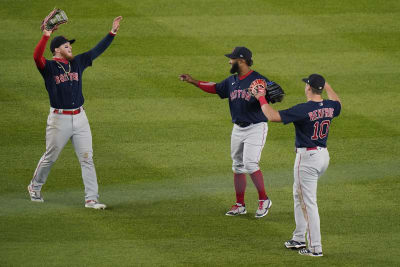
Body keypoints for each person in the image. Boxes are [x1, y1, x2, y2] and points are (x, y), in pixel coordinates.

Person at [28, 15, 123, 209]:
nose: (70, 47)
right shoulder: (49, 67)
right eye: (66, 46)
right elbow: (36, 56)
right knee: (50, 157)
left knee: (87, 158)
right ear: (57, 50)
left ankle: (91, 199)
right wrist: (46, 35)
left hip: (80, 117)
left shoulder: (78, 62)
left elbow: (97, 50)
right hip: (58, 120)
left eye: (70, 46)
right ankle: (35, 186)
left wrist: (111, 32)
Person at [252, 74, 341, 256]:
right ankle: (299, 237)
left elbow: (273, 116)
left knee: (309, 203)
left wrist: (260, 96)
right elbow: (337, 101)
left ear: (308, 88)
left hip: (307, 159)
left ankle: (315, 248)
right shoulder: (331, 107)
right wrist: (328, 87)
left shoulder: (304, 109)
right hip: (323, 156)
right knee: (298, 194)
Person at [180, 47, 273, 218]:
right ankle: (240, 204)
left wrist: (269, 94)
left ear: (242, 60)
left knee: (250, 164)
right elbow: (215, 88)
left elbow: (275, 92)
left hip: (256, 127)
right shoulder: (232, 80)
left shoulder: (258, 80)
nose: (229, 61)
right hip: (237, 128)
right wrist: (193, 81)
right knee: (237, 166)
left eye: (232, 59)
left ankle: (264, 200)